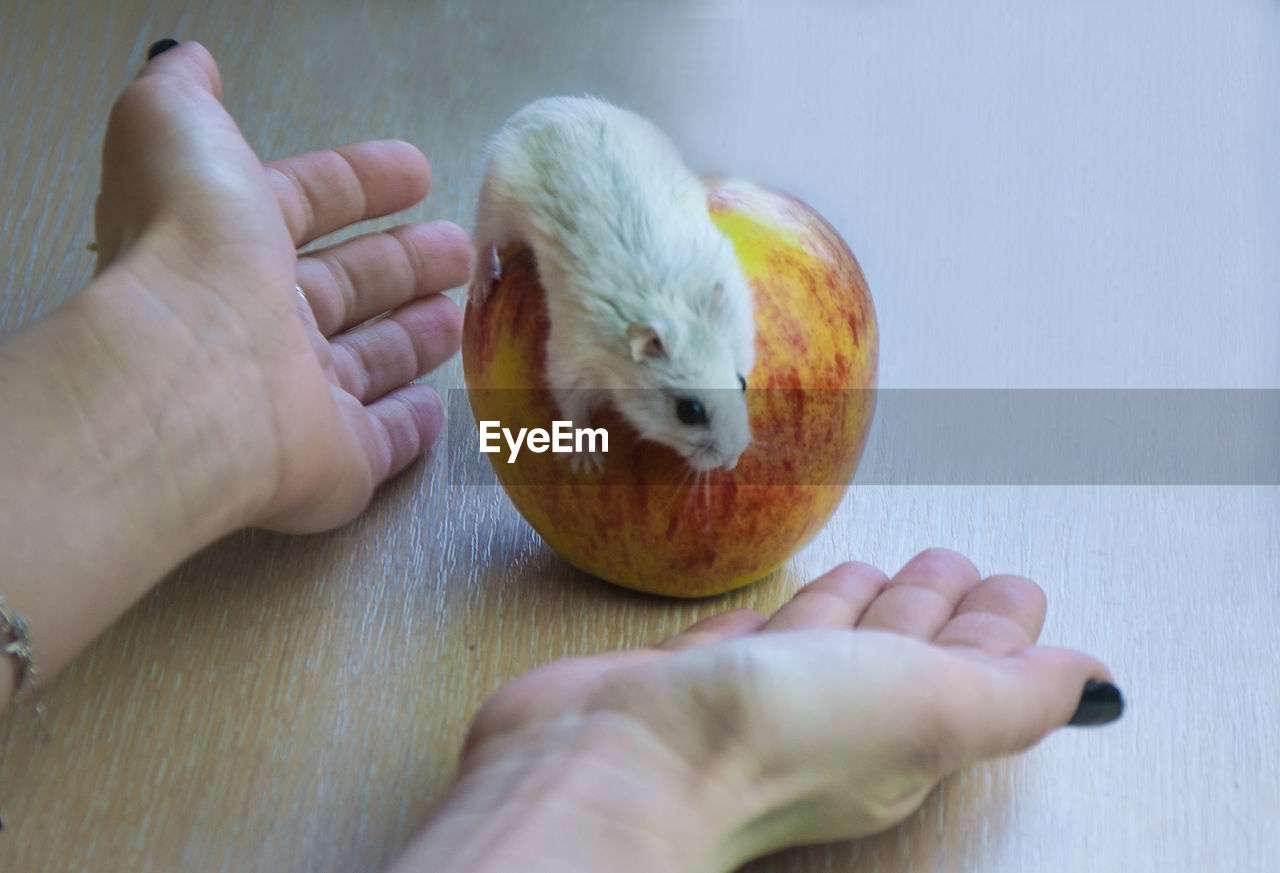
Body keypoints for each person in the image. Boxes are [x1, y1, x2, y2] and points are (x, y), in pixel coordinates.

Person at [0, 40, 1122, 872]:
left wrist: (148, 405)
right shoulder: (600, 343)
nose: (721, 462)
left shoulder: (708, 308)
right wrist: (625, 797)